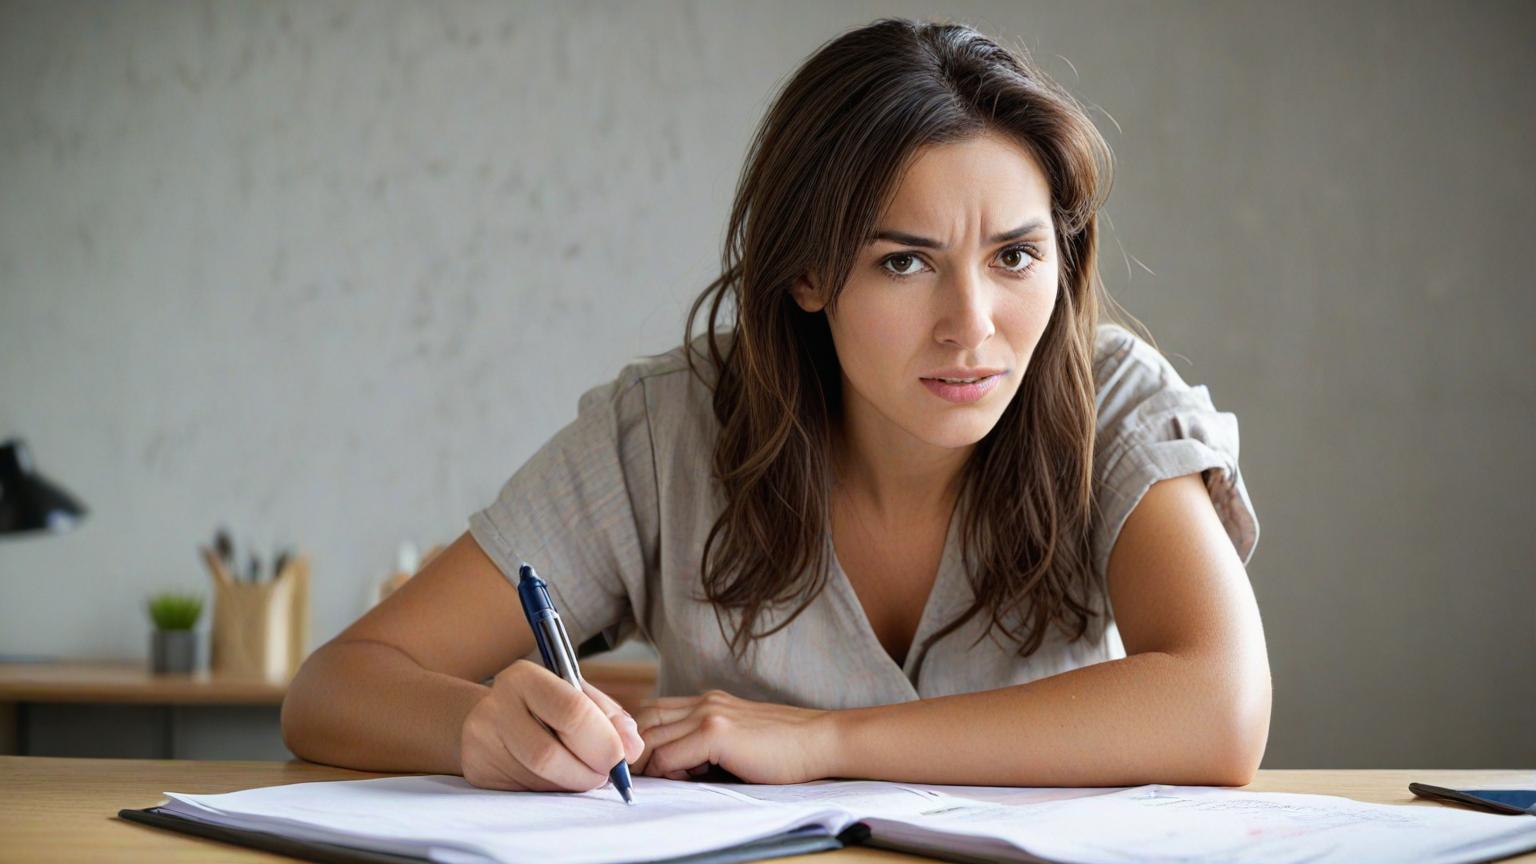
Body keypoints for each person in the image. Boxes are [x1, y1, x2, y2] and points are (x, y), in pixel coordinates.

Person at [282, 16, 1269, 794]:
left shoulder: (1118, 402)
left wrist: (828, 742)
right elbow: (337, 686)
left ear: (1063, 259)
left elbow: (1221, 710)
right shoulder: (671, 430)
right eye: (904, 262)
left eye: (1015, 257)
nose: (973, 327)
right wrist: (475, 728)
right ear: (805, 272)